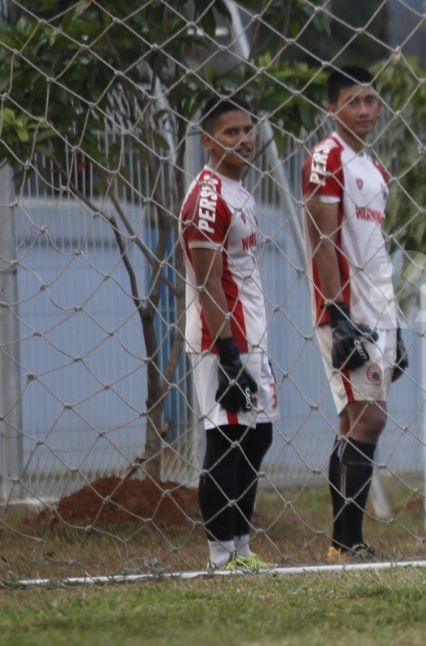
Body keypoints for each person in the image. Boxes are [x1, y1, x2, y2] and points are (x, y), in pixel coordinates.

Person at [302, 65, 407, 563]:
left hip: (378, 310)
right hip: (346, 313)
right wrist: (338, 312)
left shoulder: (374, 169)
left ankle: (344, 542)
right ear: (332, 108)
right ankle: (346, 542)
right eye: (354, 101)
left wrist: (396, 323)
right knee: (368, 420)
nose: (365, 110)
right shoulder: (327, 158)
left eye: (370, 100)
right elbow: (321, 238)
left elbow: (377, 250)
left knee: (356, 422)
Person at [180, 94, 277, 571]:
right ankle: (221, 555)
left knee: (258, 438)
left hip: (251, 334)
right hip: (221, 338)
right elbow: (207, 280)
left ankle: (241, 547)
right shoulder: (207, 197)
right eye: (230, 132)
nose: (243, 139)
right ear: (208, 142)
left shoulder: (240, 189)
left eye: (247, 130)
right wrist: (229, 353)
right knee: (228, 437)